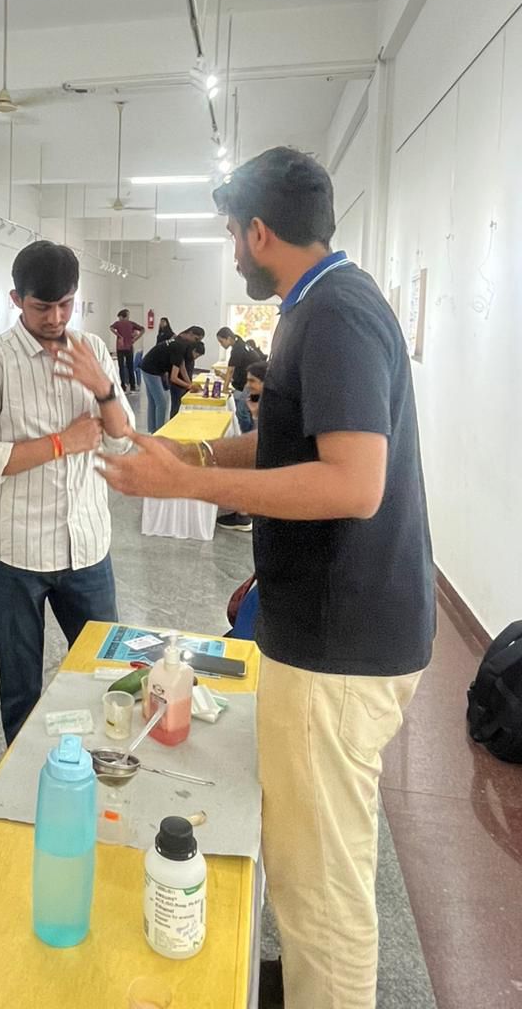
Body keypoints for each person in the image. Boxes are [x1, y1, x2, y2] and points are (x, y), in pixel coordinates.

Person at [100, 147, 434, 1009]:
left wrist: (192, 487)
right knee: (315, 858)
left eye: (229, 235)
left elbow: (353, 484)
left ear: (257, 232)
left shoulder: (335, 314)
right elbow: (295, 446)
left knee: (320, 889)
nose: (232, 251)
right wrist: (196, 455)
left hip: (338, 641)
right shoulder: (321, 305)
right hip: (333, 628)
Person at [0, 240, 134, 745]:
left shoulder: (93, 349)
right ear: (17, 299)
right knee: (20, 687)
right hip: (15, 552)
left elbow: (122, 438)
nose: (55, 317)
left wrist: (103, 388)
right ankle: (25, 779)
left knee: (107, 674)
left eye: (65, 304)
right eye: (42, 306)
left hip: (87, 545)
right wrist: (61, 443)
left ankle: (103, 763)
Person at [216, 360, 267, 532]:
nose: (247, 385)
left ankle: (243, 516)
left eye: (252, 381)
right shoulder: (262, 399)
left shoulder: (272, 404)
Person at [139, 326, 206, 433]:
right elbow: (174, 378)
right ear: (190, 333)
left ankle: (153, 431)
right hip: (151, 370)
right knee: (161, 403)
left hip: (148, 366)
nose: (196, 343)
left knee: (153, 401)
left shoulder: (180, 340)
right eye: (196, 339)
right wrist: (189, 386)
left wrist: (190, 383)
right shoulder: (180, 345)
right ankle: (160, 433)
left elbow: (182, 366)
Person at [216, 326, 258, 433]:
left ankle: (246, 435)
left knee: (241, 412)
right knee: (246, 410)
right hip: (251, 380)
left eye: (221, 341)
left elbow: (230, 371)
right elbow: (233, 374)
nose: (221, 344)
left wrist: (224, 389)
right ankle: (250, 433)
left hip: (254, 381)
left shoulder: (237, 349)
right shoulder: (240, 343)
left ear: (229, 338)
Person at [109, 308, 145, 393]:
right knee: (130, 367)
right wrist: (135, 339)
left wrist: (118, 335)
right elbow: (143, 329)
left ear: (121, 316)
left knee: (121, 367)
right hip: (129, 347)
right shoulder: (131, 323)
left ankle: (123, 386)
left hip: (120, 348)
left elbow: (111, 328)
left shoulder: (117, 324)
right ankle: (132, 387)